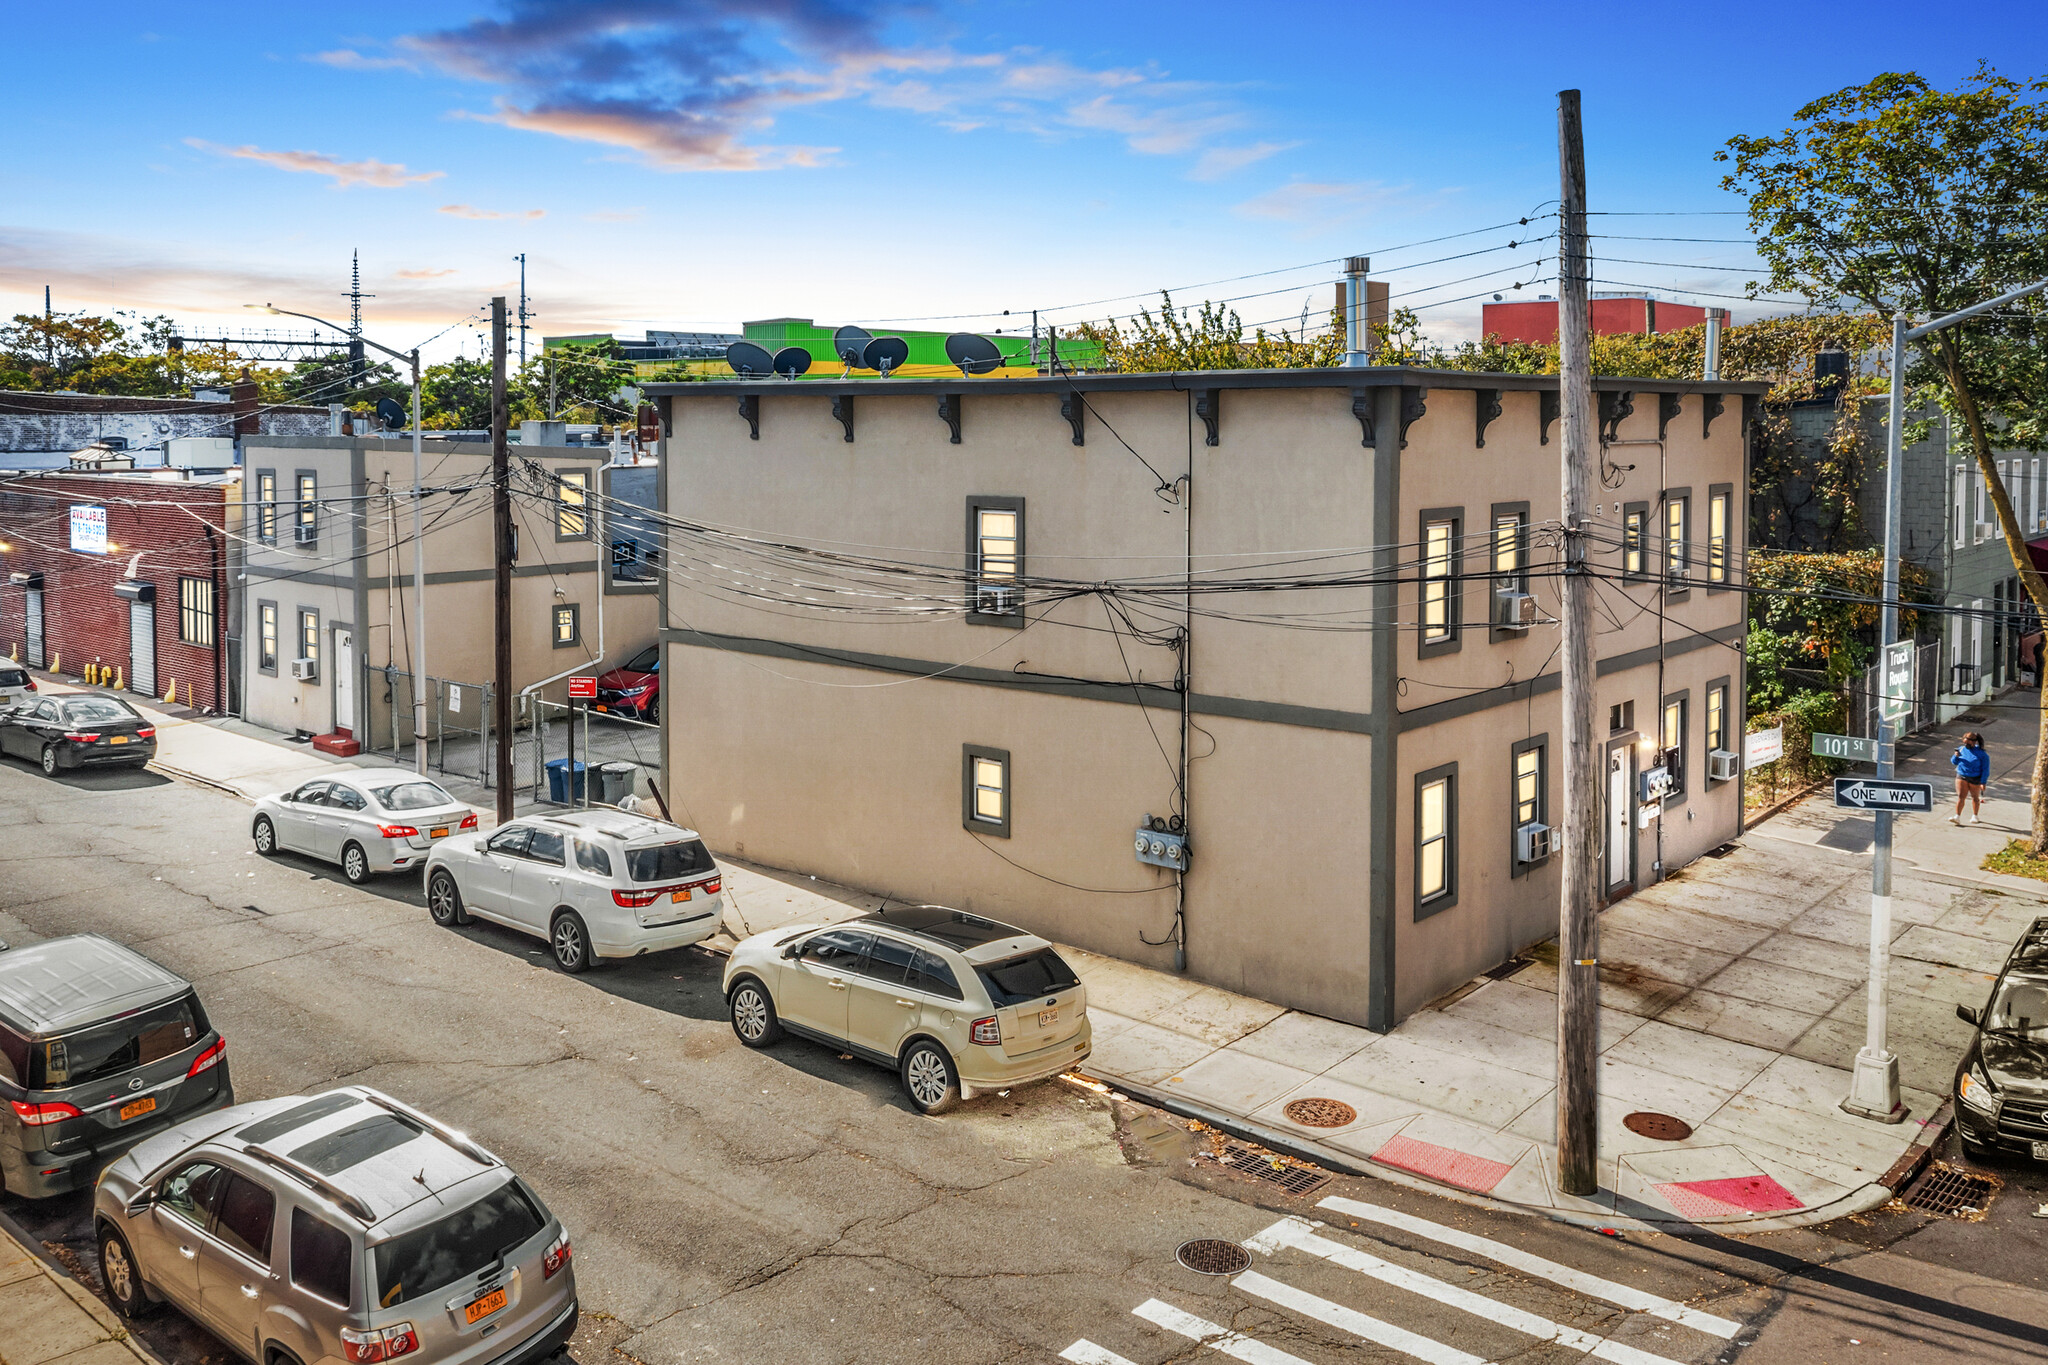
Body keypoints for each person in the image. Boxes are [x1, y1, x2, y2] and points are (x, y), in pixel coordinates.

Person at [1950, 730, 1990, 824]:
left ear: (1974, 741)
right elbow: (1954, 762)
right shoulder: (1961, 749)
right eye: (1964, 742)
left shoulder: (1982, 754)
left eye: (1968, 742)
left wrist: (1983, 782)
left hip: (1975, 778)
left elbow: (1985, 769)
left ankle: (1975, 816)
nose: (1966, 744)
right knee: (1961, 796)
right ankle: (1957, 816)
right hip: (1962, 775)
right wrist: (1956, 756)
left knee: (1975, 798)